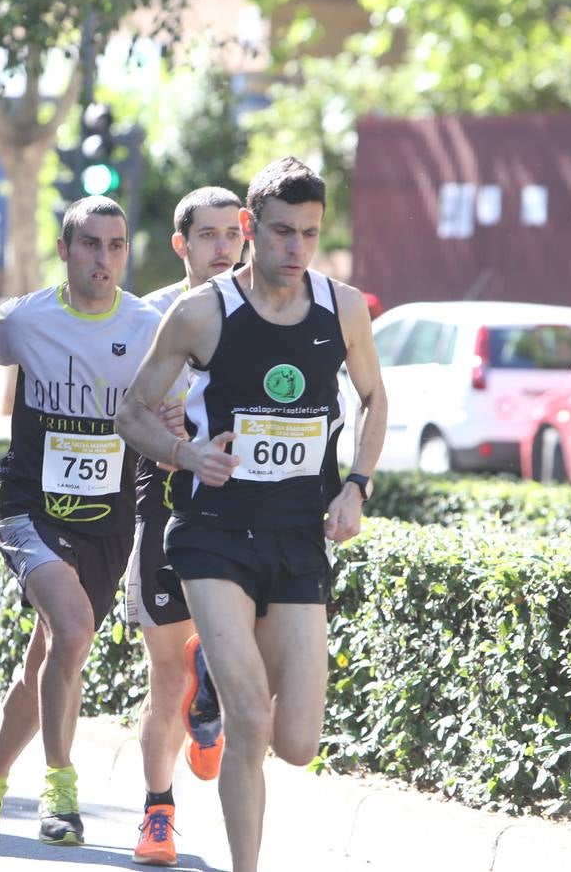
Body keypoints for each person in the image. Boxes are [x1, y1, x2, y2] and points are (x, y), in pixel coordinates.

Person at [115, 157, 388, 872]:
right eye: (279, 233)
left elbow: (375, 399)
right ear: (248, 229)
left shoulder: (344, 308)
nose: (294, 249)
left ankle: (214, 664)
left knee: (296, 742)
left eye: (308, 233)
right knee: (249, 718)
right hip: (214, 535)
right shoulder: (202, 312)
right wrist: (184, 452)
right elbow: (131, 413)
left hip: (298, 536)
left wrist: (355, 485)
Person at [0, 195, 166, 863]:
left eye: (116, 246)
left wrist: (175, 434)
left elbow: (173, 408)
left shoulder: (149, 325)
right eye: (91, 245)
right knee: (70, 631)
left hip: (108, 518)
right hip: (30, 509)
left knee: (50, 657)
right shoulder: (29, 317)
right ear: (67, 251)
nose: (104, 259)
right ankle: (59, 788)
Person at [125, 186, 245, 866]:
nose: (224, 247)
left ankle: (213, 702)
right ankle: (158, 813)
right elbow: (122, 413)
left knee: (253, 651)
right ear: (183, 244)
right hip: (165, 497)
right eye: (209, 235)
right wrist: (159, 427)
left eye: (233, 233)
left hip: (247, 506)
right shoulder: (150, 316)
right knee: (166, 674)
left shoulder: (268, 311)